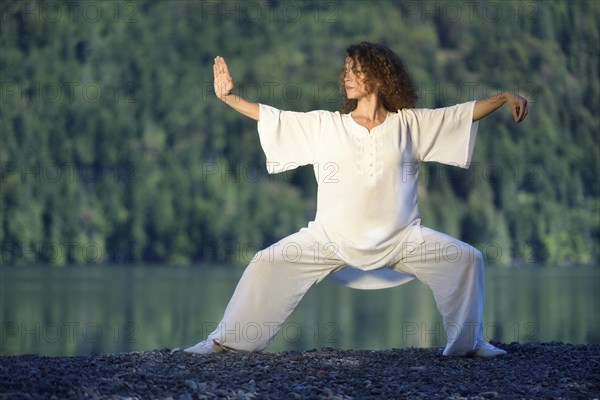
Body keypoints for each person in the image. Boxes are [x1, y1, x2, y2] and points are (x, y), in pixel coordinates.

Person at [184, 42, 528, 358]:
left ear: (379, 76)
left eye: (356, 70)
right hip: (330, 238)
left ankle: (470, 344)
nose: (347, 76)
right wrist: (229, 97)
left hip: (403, 239)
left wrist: (501, 98)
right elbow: (274, 118)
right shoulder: (327, 126)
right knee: (265, 262)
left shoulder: (409, 124)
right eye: (345, 70)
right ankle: (223, 342)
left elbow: (459, 115)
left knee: (467, 260)